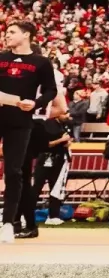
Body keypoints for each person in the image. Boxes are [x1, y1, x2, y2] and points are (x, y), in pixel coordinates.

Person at [0, 21, 59, 244]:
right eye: (6, 33)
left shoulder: (41, 62)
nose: (7, 36)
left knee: (14, 172)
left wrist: (35, 103)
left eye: (12, 32)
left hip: (21, 122)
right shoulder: (1, 57)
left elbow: (51, 90)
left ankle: (8, 223)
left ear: (27, 35)